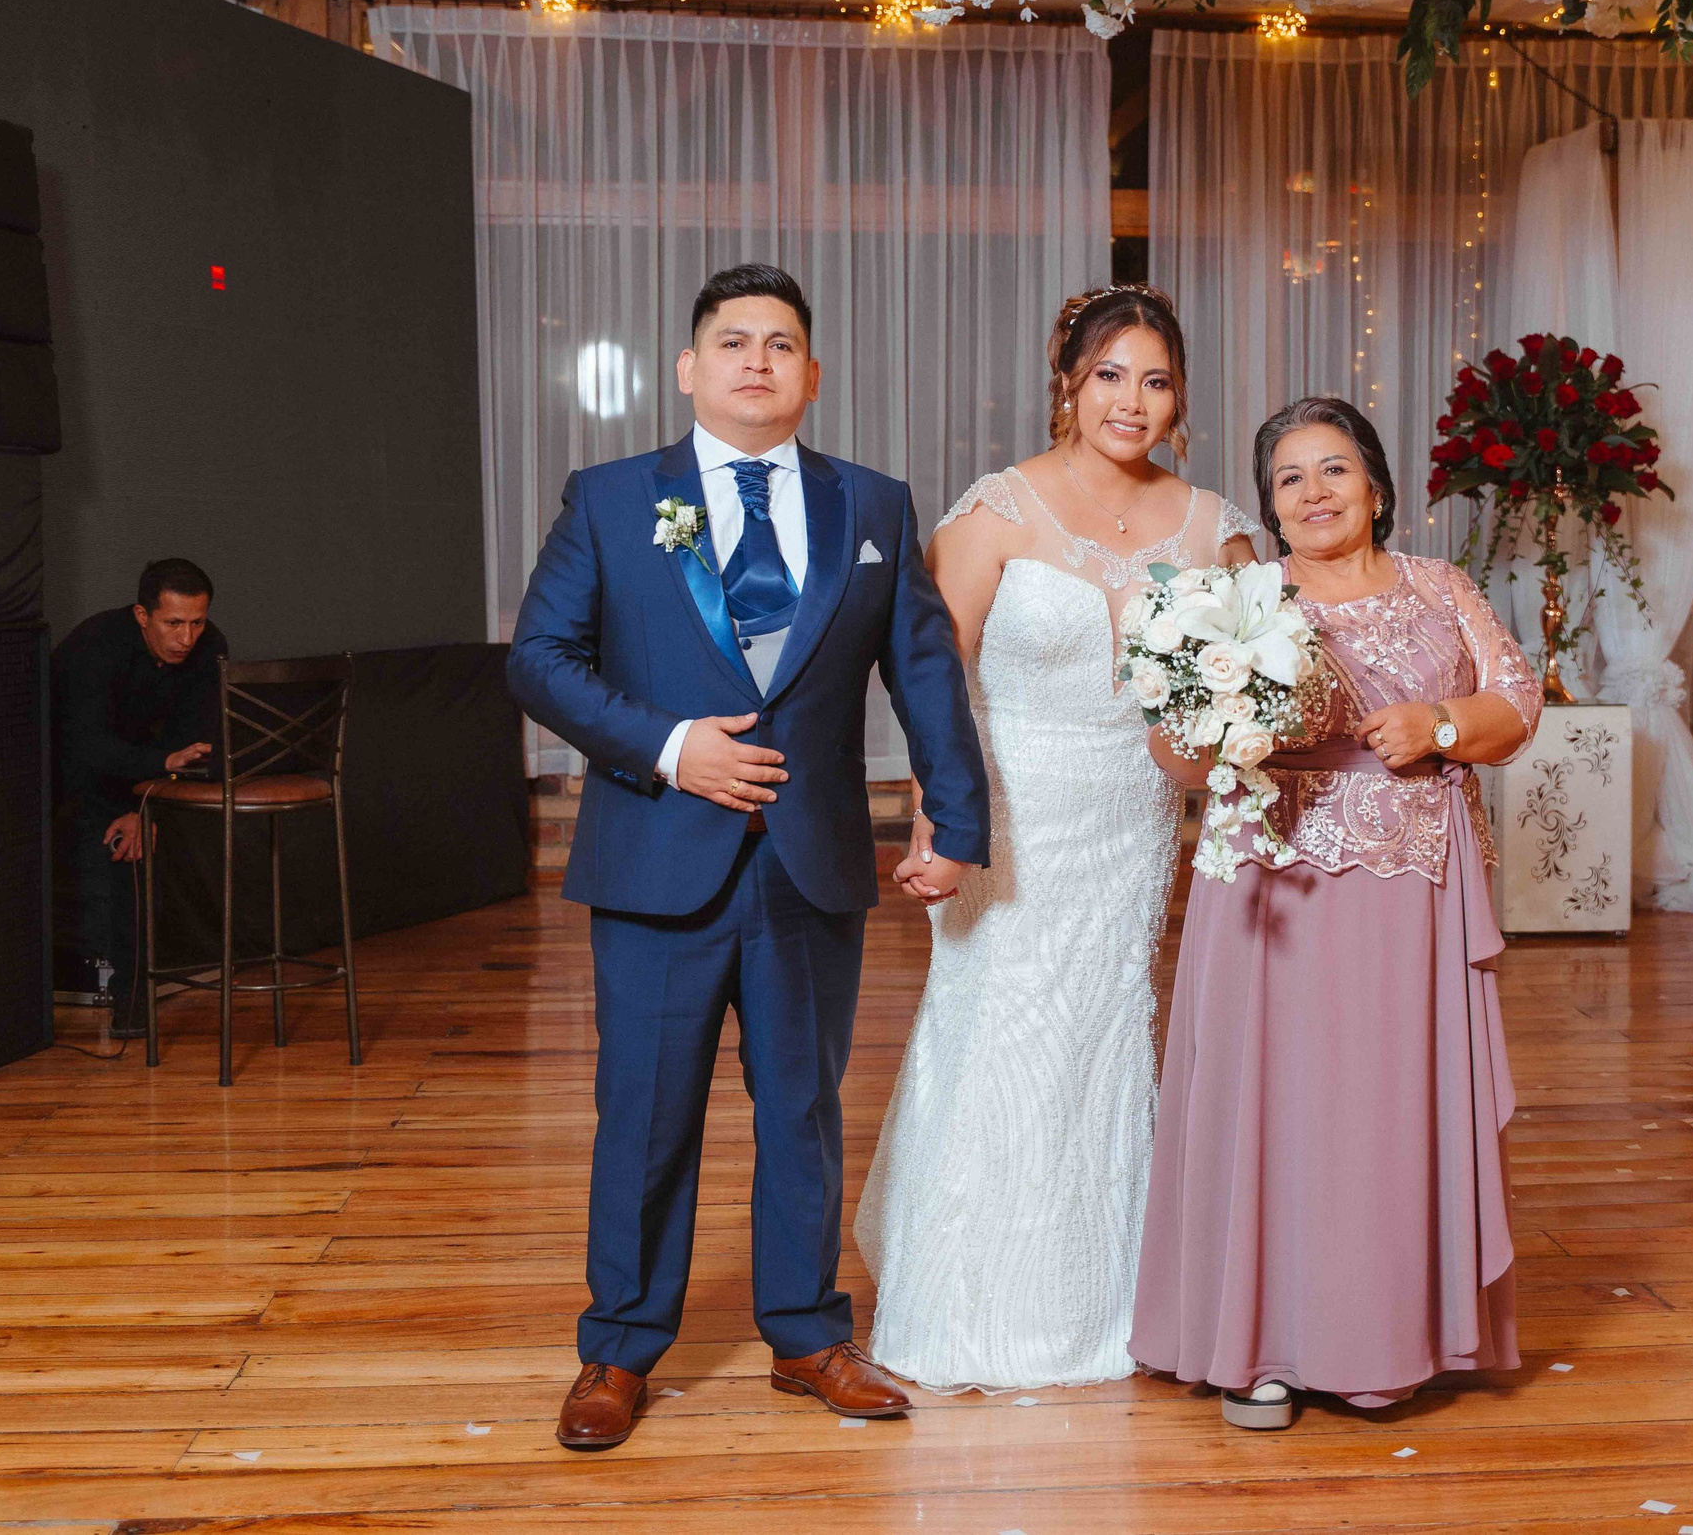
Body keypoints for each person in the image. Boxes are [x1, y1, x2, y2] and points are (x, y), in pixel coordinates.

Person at [507, 263, 988, 1454]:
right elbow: (539, 659)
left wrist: (960, 822)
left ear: (811, 375)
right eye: (734, 341)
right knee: (644, 1115)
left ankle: (807, 1333)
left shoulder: (873, 506)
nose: (758, 360)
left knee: (804, 1110)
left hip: (811, 864)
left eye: (781, 343)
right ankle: (617, 1349)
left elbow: (922, 669)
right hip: (657, 859)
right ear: (690, 369)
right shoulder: (615, 498)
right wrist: (671, 748)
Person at [853, 285, 1259, 1393]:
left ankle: (1108, 1291)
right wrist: (942, 818)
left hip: (1135, 815)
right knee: (992, 1023)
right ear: (1068, 382)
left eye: (1157, 380)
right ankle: (962, 1285)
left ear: (1180, 397)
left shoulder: (1213, 528)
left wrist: (1209, 749)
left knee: (1100, 1029)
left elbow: (1227, 704)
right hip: (1011, 811)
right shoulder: (995, 512)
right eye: (1112, 375)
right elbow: (934, 686)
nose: (1133, 400)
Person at [1130, 397, 1539, 1429]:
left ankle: (1387, 1337)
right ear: (1270, 505)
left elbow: (1517, 701)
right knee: (1274, 1108)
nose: (1313, 492)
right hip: (1273, 883)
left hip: (1414, 891)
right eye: (1289, 478)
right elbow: (1173, 757)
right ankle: (1257, 1346)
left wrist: (1438, 723)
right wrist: (1213, 722)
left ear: (1375, 485)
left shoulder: (1440, 586)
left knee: (1383, 1112)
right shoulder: (1236, 599)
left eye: (1334, 470)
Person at [51, 558, 227, 1037]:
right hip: (60, 772)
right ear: (142, 615)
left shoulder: (210, 647)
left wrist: (142, 804)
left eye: (196, 622)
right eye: (173, 623)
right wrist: (136, 799)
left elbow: (194, 744)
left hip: (149, 777)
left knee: (148, 843)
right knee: (124, 853)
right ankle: (129, 1008)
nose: (186, 638)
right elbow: (84, 747)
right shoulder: (95, 647)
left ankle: (138, 1003)